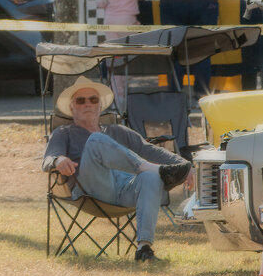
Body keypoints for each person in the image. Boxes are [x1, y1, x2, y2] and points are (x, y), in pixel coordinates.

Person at [42, 76, 190, 262]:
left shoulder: (118, 131)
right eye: (81, 100)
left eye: (93, 99)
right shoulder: (64, 133)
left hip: (124, 189)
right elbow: (47, 159)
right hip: (90, 189)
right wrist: (59, 160)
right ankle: (157, 171)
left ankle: (144, 248)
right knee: (96, 140)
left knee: (150, 178)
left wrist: (184, 166)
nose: (87, 104)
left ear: (100, 106)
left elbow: (150, 150)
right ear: (72, 107)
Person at [96, 0, 149, 104]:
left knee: (114, 57)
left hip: (110, 21)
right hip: (128, 20)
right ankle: (126, 92)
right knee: (130, 57)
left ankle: (117, 95)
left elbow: (100, 3)